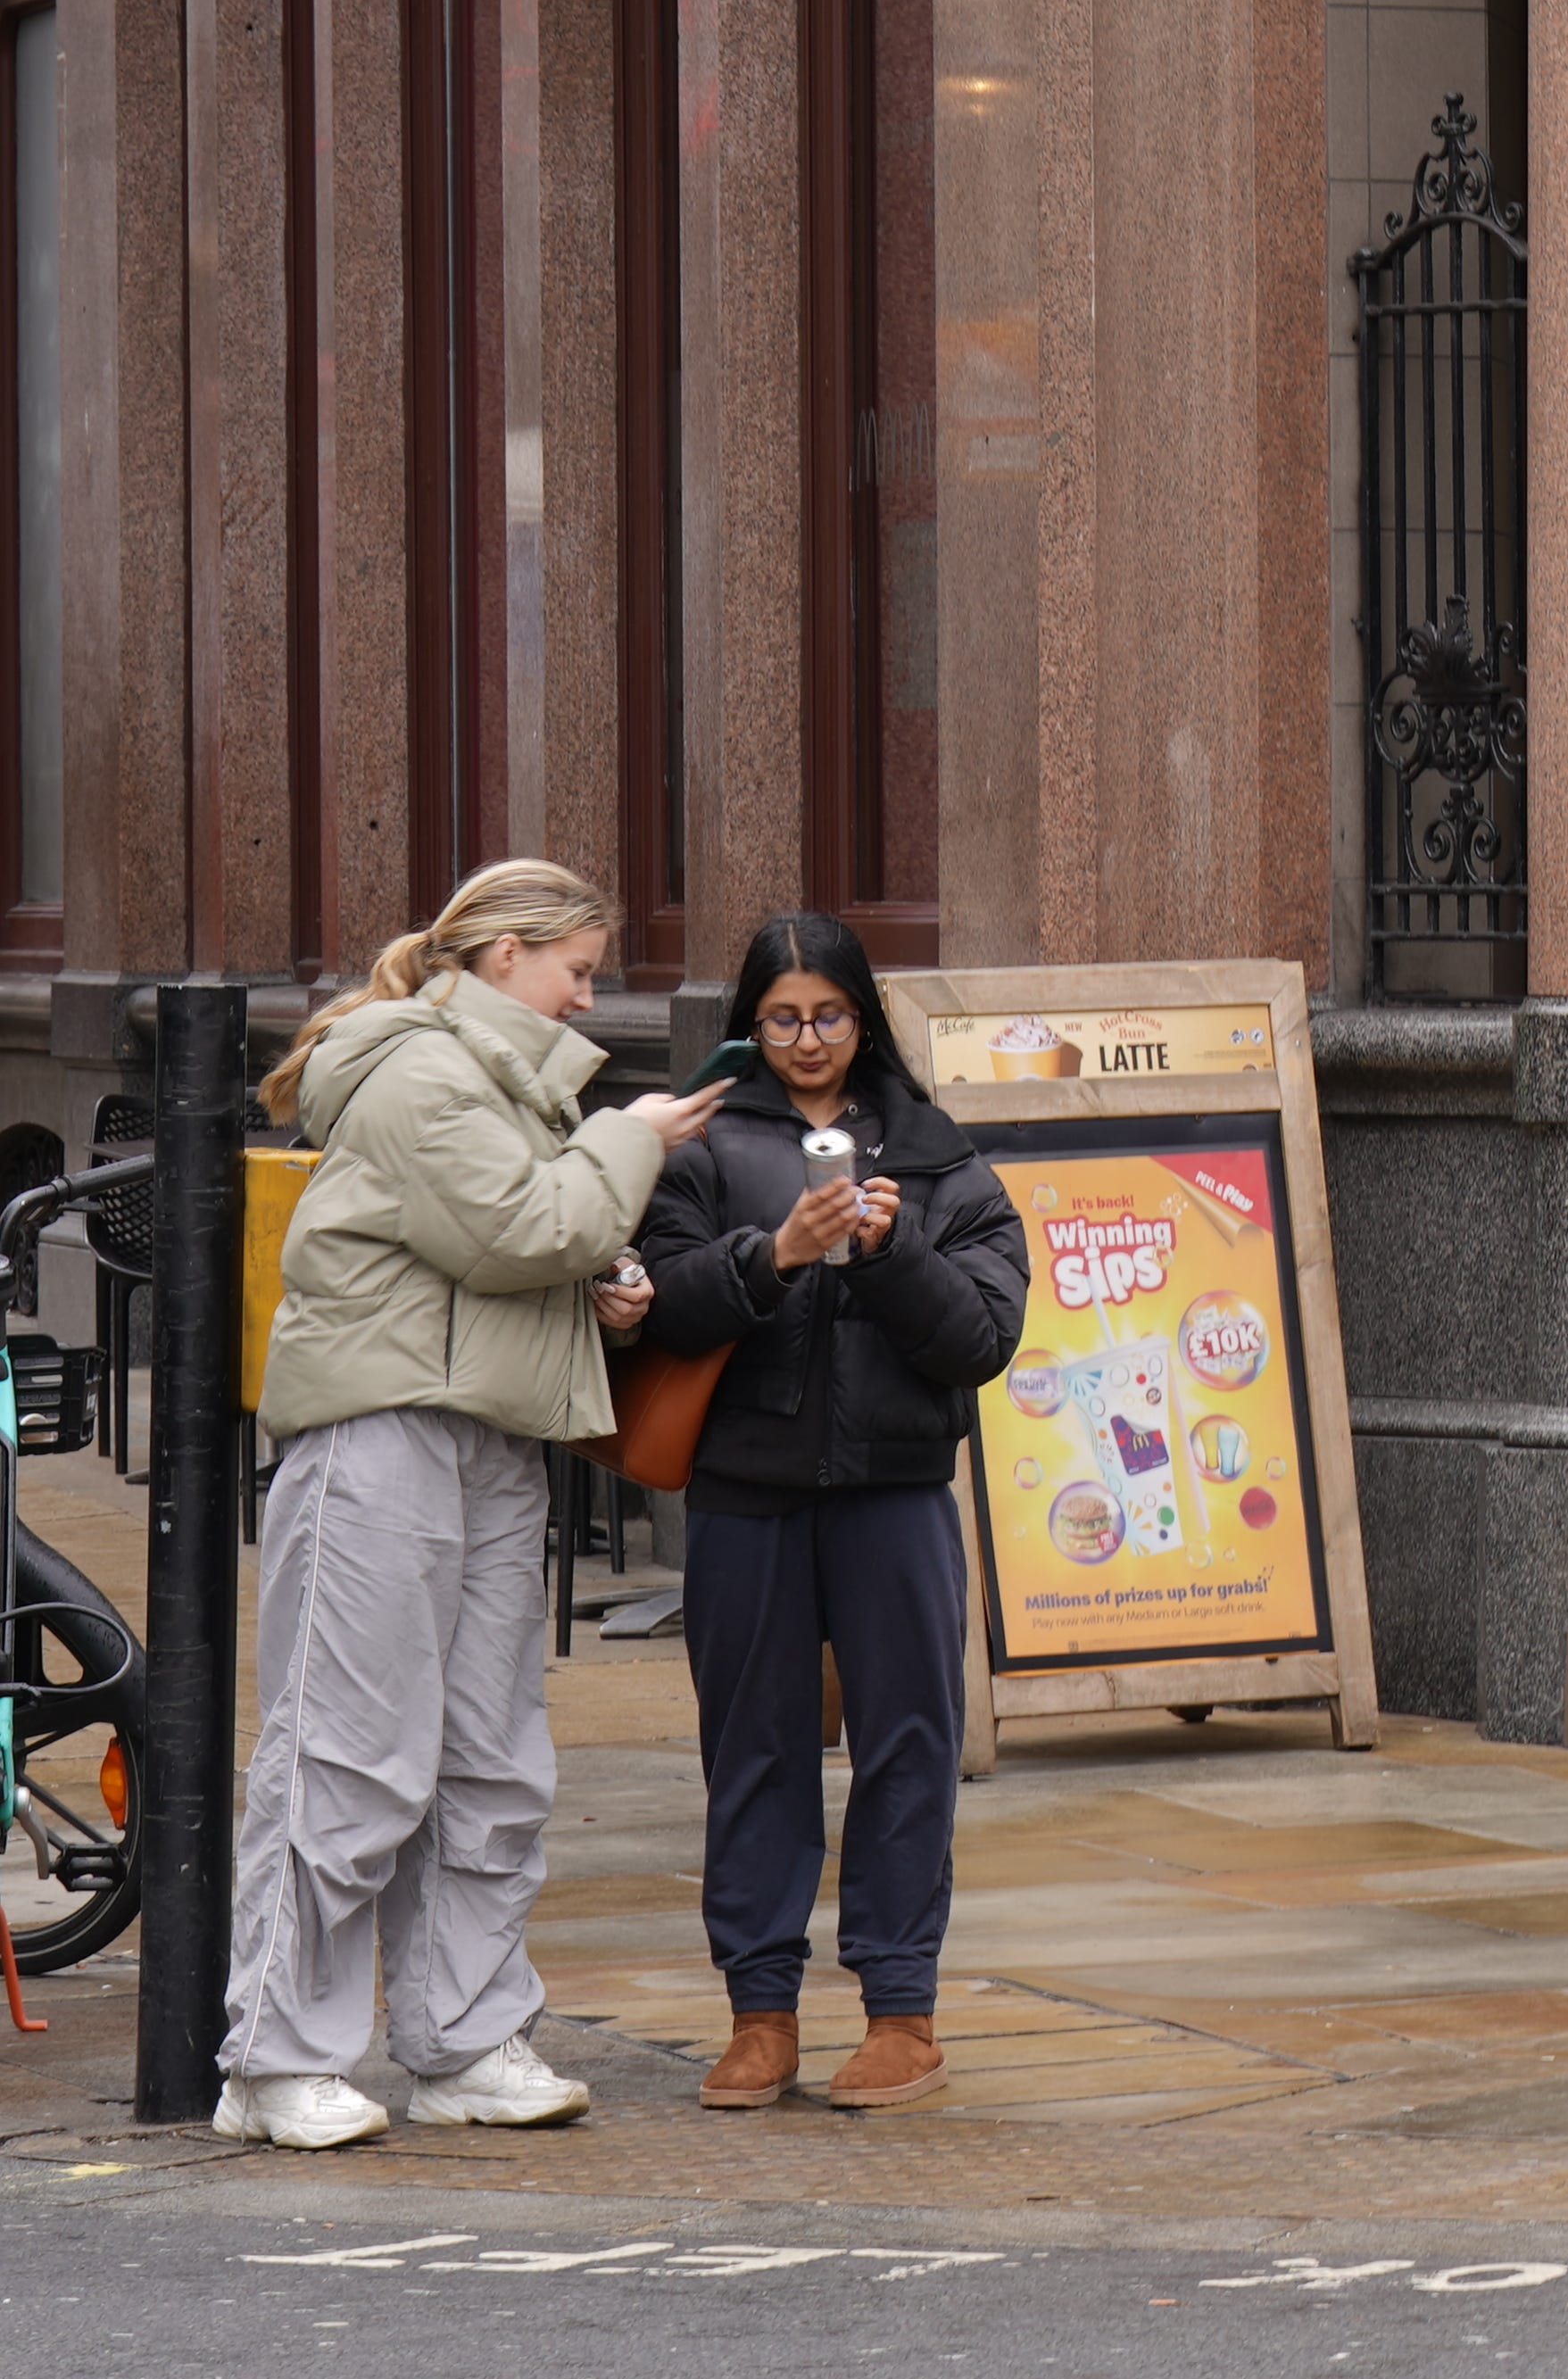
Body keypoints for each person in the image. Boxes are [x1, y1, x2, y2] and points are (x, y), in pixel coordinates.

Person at [220, 859, 728, 2149]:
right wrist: (630, 1142)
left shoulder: (500, 1082)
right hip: (379, 1435)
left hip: (486, 1434)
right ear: (507, 955)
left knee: (489, 1764)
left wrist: (596, 1284)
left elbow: (515, 1251)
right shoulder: (416, 1070)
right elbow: (515, 1229)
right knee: (349, 1750)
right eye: (579, 969)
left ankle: (461, 2043)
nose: (590, 997)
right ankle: (277, 2062)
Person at [631, 911, 1029, 2113]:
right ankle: (761, 2013)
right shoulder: (700, 1147)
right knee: (750, 1746)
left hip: (896, 1494)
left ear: (866, 1019)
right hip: (746, 1493)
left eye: (830, 1015)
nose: (808, 1040)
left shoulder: (941, 1159)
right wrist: (779, 1256)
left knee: (909, 1743)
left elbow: (983, 1337)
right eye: (783, 1019)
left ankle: (901, 2013)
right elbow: (656, 1306)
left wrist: (889, 1251)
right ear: (748, 1027)